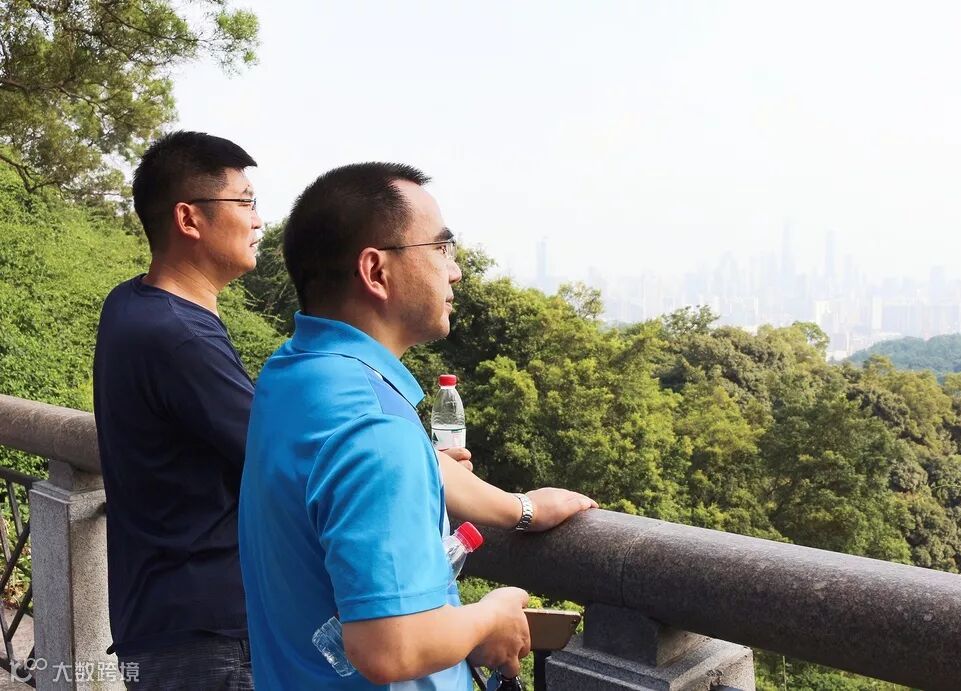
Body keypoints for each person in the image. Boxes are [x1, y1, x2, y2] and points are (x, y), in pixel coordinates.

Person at [239, 162, 596, 689]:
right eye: (441, 249)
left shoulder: (297, 374)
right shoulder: (378, 430)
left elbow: (393, 461)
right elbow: (391, 647)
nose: (455, 271)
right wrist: (490, 617)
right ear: (375, 271)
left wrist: (518, 508)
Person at [93, 131, 262, 689]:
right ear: (189, 219)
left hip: (158, 614)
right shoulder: (179, 337)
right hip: (208, 635)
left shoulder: (129, 302)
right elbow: (285, 456)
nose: (258, 220)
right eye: (245, 202)